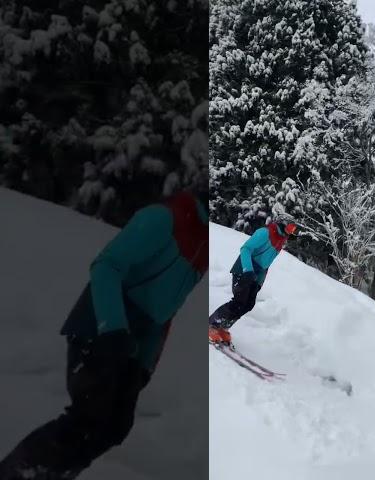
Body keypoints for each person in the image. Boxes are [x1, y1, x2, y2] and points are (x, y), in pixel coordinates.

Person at [0, 187, 208, 480]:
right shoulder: (165, 219)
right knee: (88, 419)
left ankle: (47, 473)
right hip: (99, 325)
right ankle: (17, 473)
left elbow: (166, 311)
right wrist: (111, 329)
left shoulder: (204, 245)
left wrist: (145, 363)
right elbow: (106, 266)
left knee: (114, 427)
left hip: (133, 344)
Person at [208, 214, 299, 345]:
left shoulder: (280, 241)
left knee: (248, 304)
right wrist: (247, 270)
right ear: (283, 224)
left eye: (293, 229)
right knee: (239, 301)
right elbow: (246, 249)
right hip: (244, 269)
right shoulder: (265, 233)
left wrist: (259, 282)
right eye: (291, 227)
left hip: (256, 275)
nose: (291, 231)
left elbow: (266, 264)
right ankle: (211, 324)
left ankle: (222, 327)